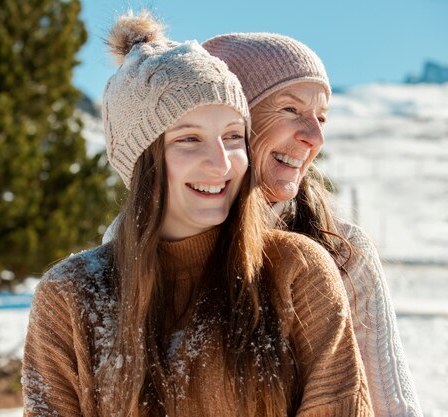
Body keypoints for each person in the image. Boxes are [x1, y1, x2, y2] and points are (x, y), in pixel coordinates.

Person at [22, 11, 373, 417]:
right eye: (189, 139)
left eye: (232, 136)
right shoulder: (70, 296)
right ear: (141, 163)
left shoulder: (297, 271)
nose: (220, 163)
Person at [202, 33, 422, 417]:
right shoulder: (146, 248)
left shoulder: (343, 253)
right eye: (290, 110)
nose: (315, 137)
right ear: (229, 123)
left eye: (321, 118)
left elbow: (395, 408)